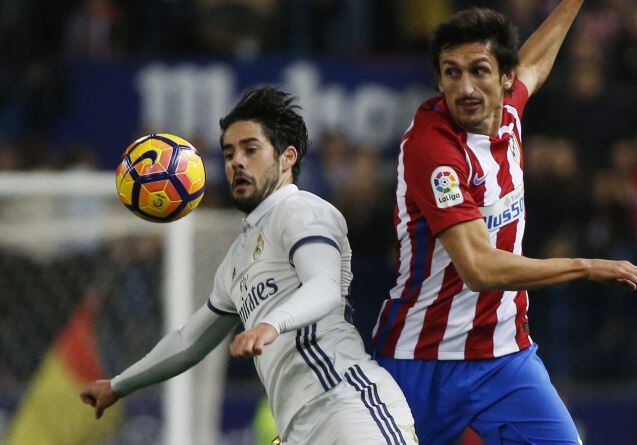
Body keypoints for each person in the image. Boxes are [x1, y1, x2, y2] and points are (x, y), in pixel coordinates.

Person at [371, 5, 637, 444]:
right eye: (451, 73)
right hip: (421, 361)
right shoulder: (433, 149)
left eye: (478, 70)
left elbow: (537, 62)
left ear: (507, 78)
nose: (465, 87)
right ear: (438, 80)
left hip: (504, 356)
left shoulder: (507, 114)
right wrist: (586, 267)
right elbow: (479, 269)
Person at [80, 87, 418, 445]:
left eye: (250, 150)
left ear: (287, 158)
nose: (236, 162)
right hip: (297, 430)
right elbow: (189, 341)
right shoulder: (236, 259)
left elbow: (324, 286)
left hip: (349, 408)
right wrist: (119, 385)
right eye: (228, 153)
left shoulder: (301, 211)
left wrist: (271, 324)